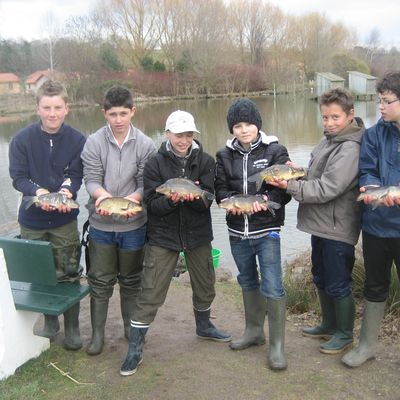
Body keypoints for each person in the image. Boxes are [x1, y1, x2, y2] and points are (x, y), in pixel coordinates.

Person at [120, 110, 231, 376]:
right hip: (163, 236)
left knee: (205, 285)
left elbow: (208, 200)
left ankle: (204, 326)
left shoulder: (205, 161)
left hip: (198, 234)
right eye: (179, 134)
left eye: (189, 134)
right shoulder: (154, 164)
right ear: (168, 133)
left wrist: (195, 198)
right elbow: (152, 204)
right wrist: (173, 199)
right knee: (151, 292)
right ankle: (135, 348)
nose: (184, 140)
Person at [270, 88, 365, 355]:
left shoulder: (350, 149)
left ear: (350, 115)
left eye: (335, 117)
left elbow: (327, 189)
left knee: (337, 282)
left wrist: (289, 186)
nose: (329, 122)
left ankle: (345, 334)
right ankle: (328, 324)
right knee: (320, 276)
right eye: (325, 117)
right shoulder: (328, 140)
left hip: (338, 228)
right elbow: (316, 176)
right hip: (319, 225)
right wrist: (297, 173)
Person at [9, 80, 86, 350]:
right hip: (32, 219)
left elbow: (76, 175)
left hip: (64, 219)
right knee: (39, 273)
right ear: (38, 109)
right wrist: (38, 191)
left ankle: (73, 326)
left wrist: (67, 192)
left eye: (57, 107)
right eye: (46, 107)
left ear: (67, 108)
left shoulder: (78, 139)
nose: (52, 113)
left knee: (68, 271)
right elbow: (18, 177)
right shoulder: (21, 140)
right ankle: (50, 322)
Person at [215, 98, 291, 371]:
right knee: (247, 280)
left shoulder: (275, 151)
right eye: (237, 125)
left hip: (267, 230)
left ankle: (277, 347)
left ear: (258, 124)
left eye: (248, 123)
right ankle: (254, 331)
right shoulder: (223, 156)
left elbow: (283, 191)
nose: (244, 129)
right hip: (237, 232)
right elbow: (220, 192)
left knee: (272, 285)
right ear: (231, 129)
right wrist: (231, 202)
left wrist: (266, 200)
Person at [81, 86, 156, 356]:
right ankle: (97, 335)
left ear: (133, 111)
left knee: (131, 280)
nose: (118, 119)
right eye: (112, 114)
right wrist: (102, 198)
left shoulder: (146, 144)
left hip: (134, 225)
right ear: (104, 114)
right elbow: (91, 179)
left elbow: (144, 184)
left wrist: (130, 203)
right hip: (100, 225)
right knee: (100, 281)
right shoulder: (93, 142)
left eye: (123, 113)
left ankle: (129, 327)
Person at [342, 71, 400, 367]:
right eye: (379, 100)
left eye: (387, 101)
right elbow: (366, 170)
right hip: (376, 226)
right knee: (375, 285)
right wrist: (371, 186)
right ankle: (366, 346)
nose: (381, 106)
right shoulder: (375, 134)